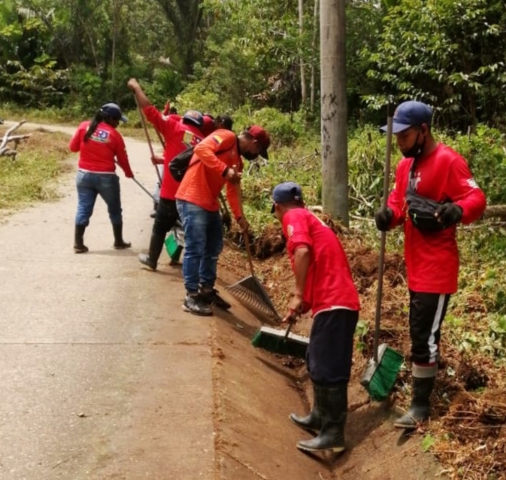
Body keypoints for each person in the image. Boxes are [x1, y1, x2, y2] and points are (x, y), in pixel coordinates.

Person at [375, 101, 487, 429]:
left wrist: (458, 211)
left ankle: (421, 405)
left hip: (437, 266)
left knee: (424, 336)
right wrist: (388, 217)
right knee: (418, 331)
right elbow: (398, 204)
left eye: (405, 136)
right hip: (415, 263)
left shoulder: (449, 161)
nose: (399, 142)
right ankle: (420, 395)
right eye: (395, 137)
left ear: (424, 130)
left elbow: (476, 199)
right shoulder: (403, 167)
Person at [272, 182, 360, 453]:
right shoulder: (310, 218)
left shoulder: (293, 217)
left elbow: (303, 252)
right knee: (316, 360)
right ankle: (319, 416)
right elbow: (315, 263)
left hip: (335, 302)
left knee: (329, 368)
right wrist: (303, 302)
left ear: (277, 207)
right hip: (333, 301)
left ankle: (333, 434)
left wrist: (297, 294)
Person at [175, 124, 271, 316]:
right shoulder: (226, 137)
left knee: (213, 247)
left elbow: (232, 190)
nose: (257, 156)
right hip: (192, 198)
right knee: (195, 248)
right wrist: (224, 169)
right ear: (254, 144)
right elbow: (201, 148)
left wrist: (239, 217)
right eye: (259, 151)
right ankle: (191, 296)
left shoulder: (238, 161)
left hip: (209, 203)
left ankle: (207, 289)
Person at [128, 78, 206, 271]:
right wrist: (162, 159)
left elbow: (150, 111)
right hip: (192, 195)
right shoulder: (202, 140)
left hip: (172, 192)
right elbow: (185, 159)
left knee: (160, 226)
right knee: (183, 226)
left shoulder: (175, 127)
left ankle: (152, 259)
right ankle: (178, 257)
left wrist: (137, 88)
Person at [69, 102, 134, 253]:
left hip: (84, 176)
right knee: (115, 210)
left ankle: (78, 244)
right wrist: (128, 173)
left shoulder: (84, 127)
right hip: (106, 178)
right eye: (117, 120)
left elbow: (73, 148)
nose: (118, 124)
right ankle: (118, 241)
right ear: (111, 119)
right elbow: (123, 159)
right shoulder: (115, 135)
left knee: (83, 208)